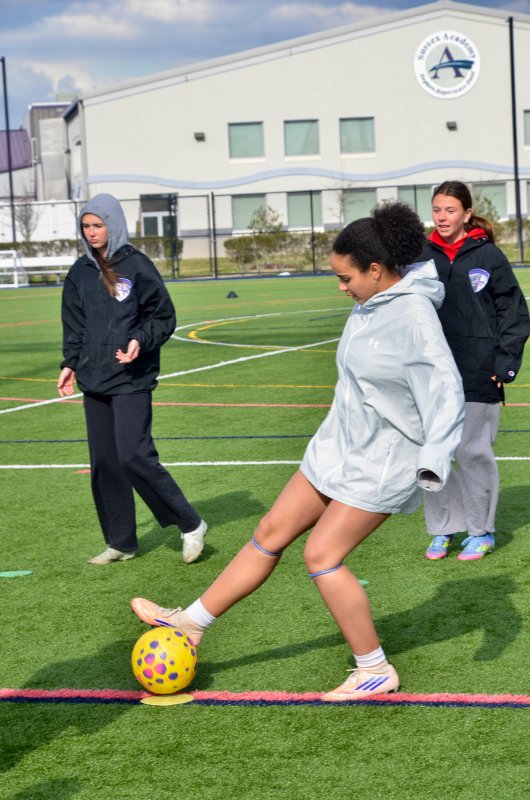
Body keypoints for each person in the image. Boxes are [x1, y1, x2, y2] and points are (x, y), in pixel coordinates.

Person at [131, 201, 465, 701]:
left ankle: (374, 669)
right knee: (270, 531)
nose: (341, 286)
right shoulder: (369, 302)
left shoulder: (413, 315)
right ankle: (192, 623)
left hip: (382, 463)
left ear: (376, 270)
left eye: (346, 277)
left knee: (321, 555)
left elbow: (447, 392)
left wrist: (434, 461)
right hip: (338, 449)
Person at [57, 193, 207, 565]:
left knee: (134, 456)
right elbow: (74, 324)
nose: (91, 232)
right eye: (86, 226)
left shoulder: (137, 265)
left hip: (131, 378)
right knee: (105, 463)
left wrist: (140, 339)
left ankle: (190, 523)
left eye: (98, 225)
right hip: (94, 379)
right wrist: (70, 363)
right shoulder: (79, 271)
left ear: (114, 225)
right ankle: (121, 541)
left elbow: (163, 316)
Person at [421, 181, 530, 562]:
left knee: (471, 451)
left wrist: (505, 363)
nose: (442, 217)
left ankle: (480, 531)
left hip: (478, 369)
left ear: (467, 213)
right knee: (433, 451)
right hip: (431, 371)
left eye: (450, 210)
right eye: (437, 209)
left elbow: (514, 313)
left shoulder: (488, 255)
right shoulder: (421, 257)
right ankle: (443, 528)